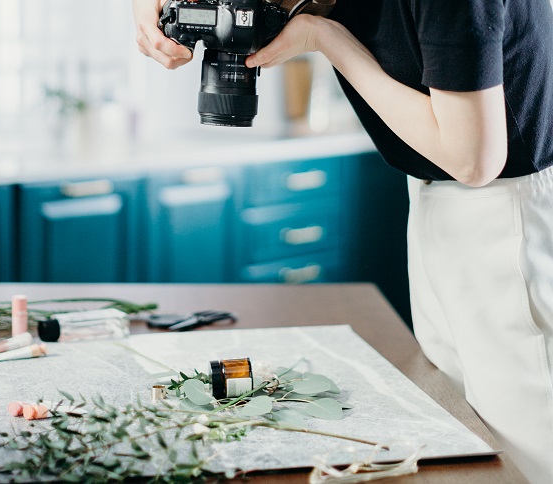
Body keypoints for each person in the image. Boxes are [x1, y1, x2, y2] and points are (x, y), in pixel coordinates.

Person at [133, 1, 553, 481]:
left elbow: (475, 160)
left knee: (531, 449)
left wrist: (327, 40)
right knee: (464, 437)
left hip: (505, 214)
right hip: (434, 199)